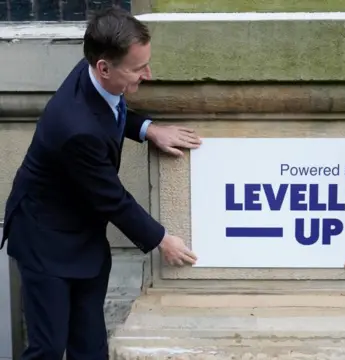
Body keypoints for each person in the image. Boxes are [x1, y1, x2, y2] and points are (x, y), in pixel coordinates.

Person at [0, 7, 200, 359]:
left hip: (84, 238)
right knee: (48, 348)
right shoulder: (74, 127)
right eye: (138, 69)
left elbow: (111, 111)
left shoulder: (92, 72)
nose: (148, 75)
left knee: (91, 348)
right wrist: (162, 240)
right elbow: (111, 198)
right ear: (104, 67)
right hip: (44, 242)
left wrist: (147, 128)